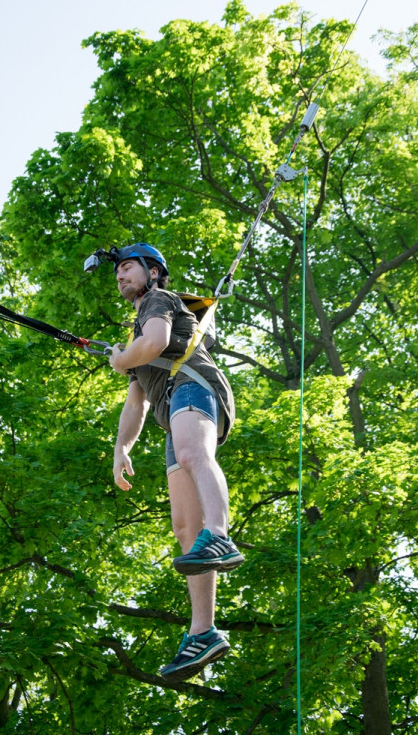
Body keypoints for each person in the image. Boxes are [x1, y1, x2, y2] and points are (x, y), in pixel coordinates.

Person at [107, 243, 243, 681]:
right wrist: (121, 447)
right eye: (118, 272)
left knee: (192, 454)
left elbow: (158, 343)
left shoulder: (159, 301)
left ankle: (220, 534)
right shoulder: (136, 332)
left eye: (128, 268)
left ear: (153, 272)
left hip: (194, 388)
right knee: (185, 528)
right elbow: (136, 402)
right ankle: (203, 631)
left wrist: (120, 359)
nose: (121, 276)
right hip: (171, 413)